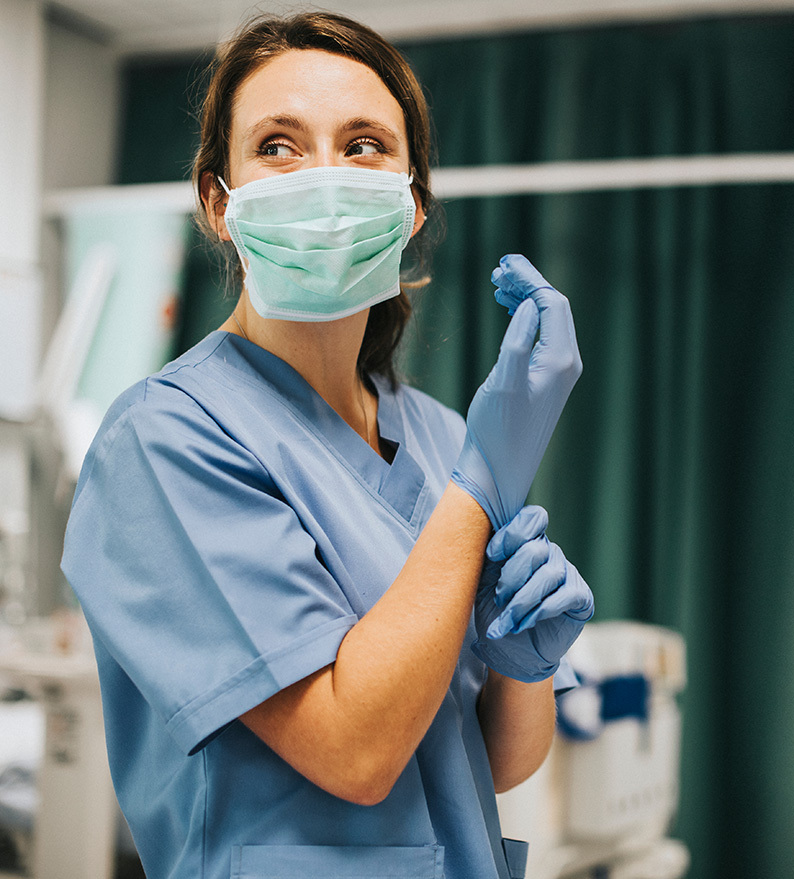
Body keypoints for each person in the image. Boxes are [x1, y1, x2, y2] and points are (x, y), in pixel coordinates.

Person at [60, 12, 592, 879]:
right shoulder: (163, 442)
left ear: (411, 204)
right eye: (277, 145)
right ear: (217, 203)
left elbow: (482, 764)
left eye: (364, 145)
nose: (324, 178)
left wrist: (523, 663)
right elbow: (356, 751)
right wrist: (480, 488)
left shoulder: (441, 437)